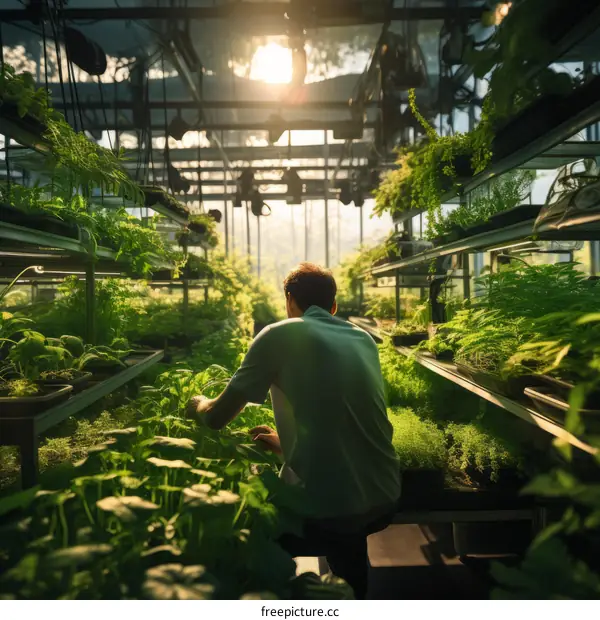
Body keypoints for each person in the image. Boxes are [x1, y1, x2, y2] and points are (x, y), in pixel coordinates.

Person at [187, 262, 401, 599]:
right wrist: (286, 448)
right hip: (384, 493)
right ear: (334, 306)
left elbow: (216, 418)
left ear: (289, 300)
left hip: (327, 506)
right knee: (348, 539)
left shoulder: (279, 333)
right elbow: (347, 423)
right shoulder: (362, 339)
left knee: (244, 532)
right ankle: (354, 595)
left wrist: (198, 402)